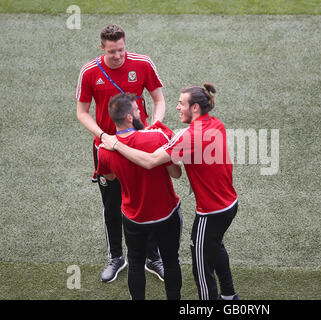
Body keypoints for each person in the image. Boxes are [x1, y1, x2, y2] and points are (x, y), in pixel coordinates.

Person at [102, 83, 240, 300]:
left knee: (201, 268)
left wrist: (116, 144)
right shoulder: (216, 124)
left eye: (181, 103)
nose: (177, 107)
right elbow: (175, 170)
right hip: (229, 204)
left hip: (210, 212)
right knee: (213, 247)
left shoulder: (188, 136)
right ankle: (229, 296)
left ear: (195, 108)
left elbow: (150, 161)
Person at [75, 24, 165, 283]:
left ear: (126, 44)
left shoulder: (143, 64)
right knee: (112, 205)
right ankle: (116, 256)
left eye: (122, 50)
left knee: (146, 200)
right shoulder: (90, 72)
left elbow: (158, 99)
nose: (118, 56)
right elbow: (82, 112)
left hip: (140, 144)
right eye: (112, 51)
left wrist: (155, 127)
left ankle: (152, 257)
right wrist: (104, 137)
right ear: (102, 48)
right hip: (106, 148)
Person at [97, 93, 183, 299]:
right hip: (166, 214)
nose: (140, 113)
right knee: (171, 261)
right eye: (137, 110)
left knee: (135, 263)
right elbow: (176, 173)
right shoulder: (158, 137)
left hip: (134, 217)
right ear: (128, 117)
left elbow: (109, 176)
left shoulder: (104, 150)